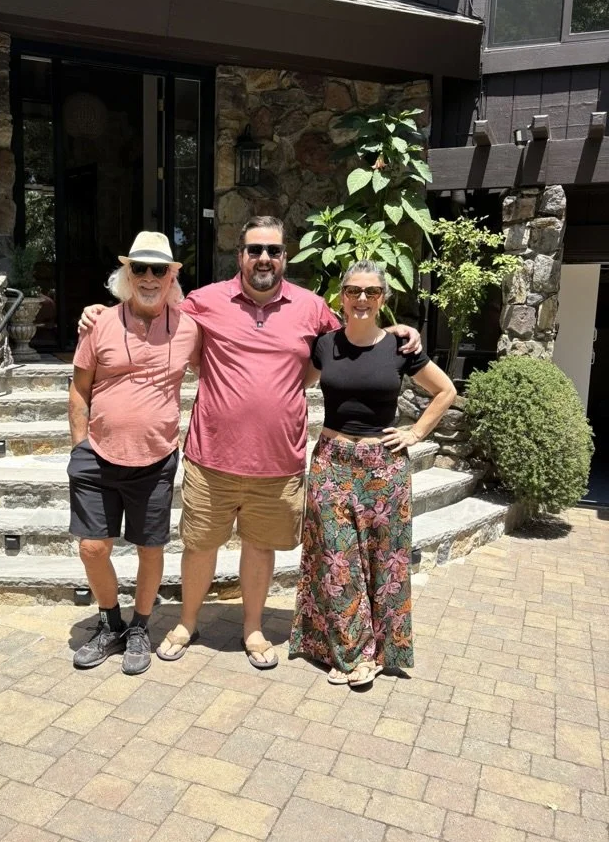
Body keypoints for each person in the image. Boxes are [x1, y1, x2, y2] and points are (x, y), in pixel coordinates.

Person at [79, 216, 422, 671]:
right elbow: (150, 306)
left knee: (260, 546)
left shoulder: (312, 307)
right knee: (200, 545)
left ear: (285, 256)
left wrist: (401, 333)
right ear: (240, 254)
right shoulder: (204, 302)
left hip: (278, 461)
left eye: (274, 251)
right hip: (210, 455)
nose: (264, 258)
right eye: (255, 249)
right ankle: (186, 622)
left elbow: (357, 330)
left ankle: (253, 627)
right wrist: (100, 310)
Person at [289, 261, 456, 686]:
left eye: (372, 292)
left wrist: (417, 432)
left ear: (383, 298)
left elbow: (445, 391)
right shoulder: (325, 345)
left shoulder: (401, 347)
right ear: (341, 296)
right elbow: (295, 381)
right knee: (336, 559)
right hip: (331, 463)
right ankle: (354, 653)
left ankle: (382, 650)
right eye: (353, 291)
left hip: (383, 468)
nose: (362, 299)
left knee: (385, 560)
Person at [68, 231, 200, 676]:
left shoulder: (189, 327)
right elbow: (79, 388)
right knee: (92, 547)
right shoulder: (99, 322)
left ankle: (141, 627)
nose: (148, 277)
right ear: (127, 274)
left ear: (171, 276)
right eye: (138, 268)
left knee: (150, 547)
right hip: (98, 454)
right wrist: (79, 445)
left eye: (158, 269)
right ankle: (109, 622)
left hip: (157, 456)